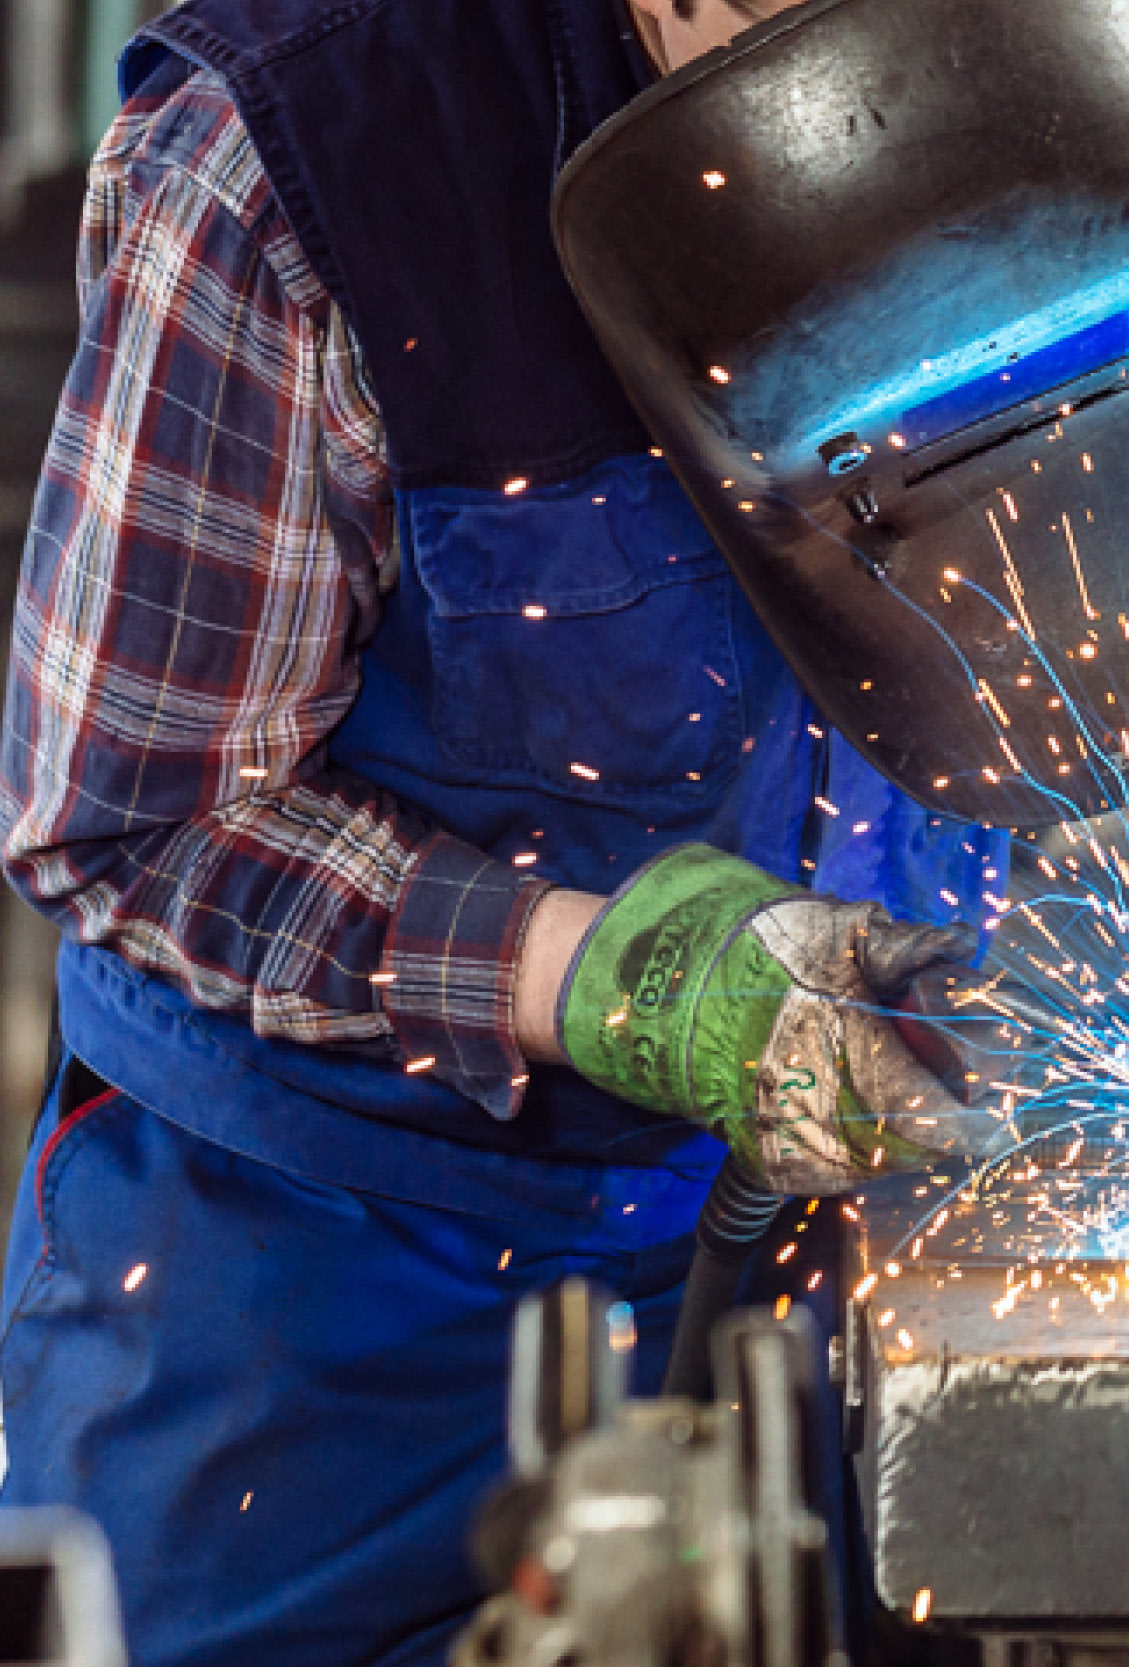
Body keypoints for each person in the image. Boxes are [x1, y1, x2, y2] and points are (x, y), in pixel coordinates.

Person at [0, 1, 1020, 1660]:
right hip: (329, 1354)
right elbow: (129, 816)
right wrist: (625, 978)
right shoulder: (306, 151)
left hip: (819, 1307)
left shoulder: (1029, 85)